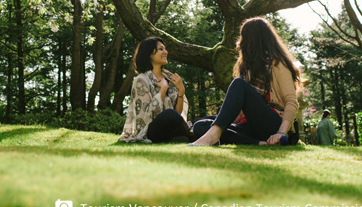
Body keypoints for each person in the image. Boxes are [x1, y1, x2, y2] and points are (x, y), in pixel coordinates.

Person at [192, 17, 301, 146]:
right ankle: (258, 143)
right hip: (250, 126)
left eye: (243, 37)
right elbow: (240, 112)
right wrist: (226, 119)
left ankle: (214, 136)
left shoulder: (278, 64)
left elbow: (291, 102)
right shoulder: (246, 68)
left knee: (239, 84)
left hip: (274, 125)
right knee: (200, 125)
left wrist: (281, 132)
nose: (240, 42)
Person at [119, 37, 193, 143]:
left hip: (171, 127)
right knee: (169, 114)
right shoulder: (141, 80)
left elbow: (178, 114)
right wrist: (163, 90)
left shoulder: (170, 78)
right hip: (151, 130)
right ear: (149, 53)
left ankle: (180, 138)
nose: (166, 52)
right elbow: (145, 116)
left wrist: (181, 91)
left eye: (165, 49)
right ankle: (192, 136)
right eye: (161, 49)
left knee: (204, 123)